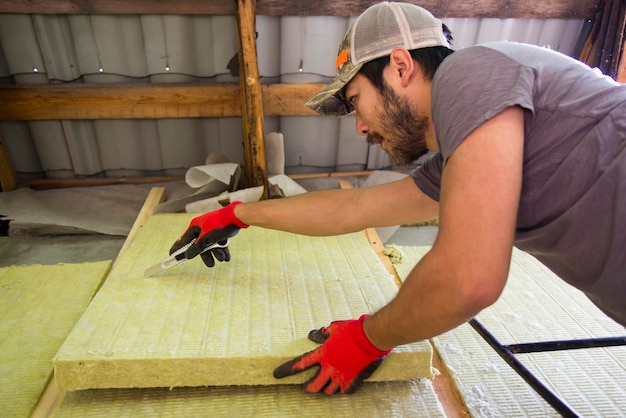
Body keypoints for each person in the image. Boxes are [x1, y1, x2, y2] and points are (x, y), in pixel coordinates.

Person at [170, 2, 626, 395]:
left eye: (356, 99)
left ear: (401, 66)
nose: (361, 127)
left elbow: (469, 278)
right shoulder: (466, 150)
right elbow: (353, 209)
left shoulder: (468, 74)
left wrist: (367, 339)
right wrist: (238, 214)